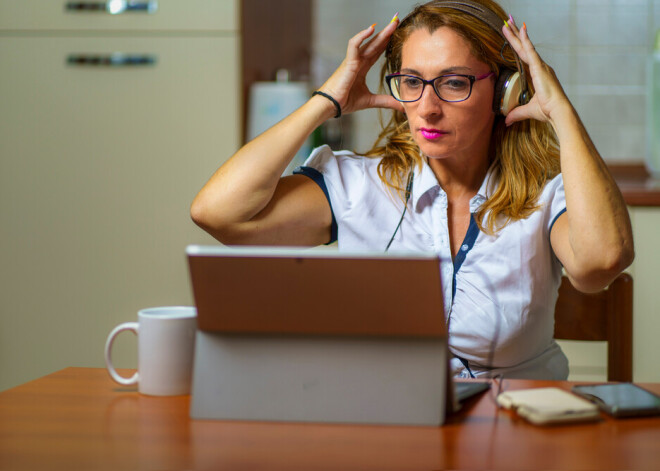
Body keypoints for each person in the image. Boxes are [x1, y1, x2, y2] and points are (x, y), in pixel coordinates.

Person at [190, 0, 634, 379]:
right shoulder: (357, 184)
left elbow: (601, 262)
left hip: (514, 430)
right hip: (388, 429)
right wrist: (326, 101)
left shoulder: (544, 193)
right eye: (411, 81)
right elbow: (219, 215)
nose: (426, 108)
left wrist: (560, 111)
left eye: (454, 82)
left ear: (504, 90)